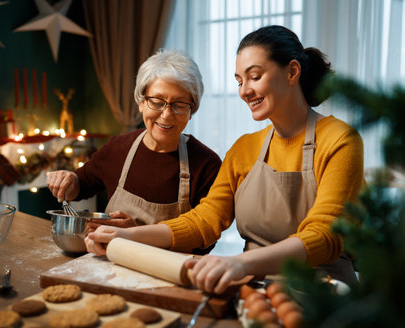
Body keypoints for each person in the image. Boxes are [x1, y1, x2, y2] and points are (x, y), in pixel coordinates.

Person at [85, 25, 364, 293]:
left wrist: (239, 263)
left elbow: (325, 236)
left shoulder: (340, 140)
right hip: (255, 292)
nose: (244, 91)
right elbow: (204, 220)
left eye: (254, 77)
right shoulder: (245, 148)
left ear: (292, 71)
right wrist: (127, 237)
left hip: (324, 296)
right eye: (239, 81)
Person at [47, 50, 222, 254]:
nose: (166, 115)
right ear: (141, 102)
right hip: (110, 264)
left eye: (179, 105)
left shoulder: (207, 164)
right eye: (156, 101)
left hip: (169, 275)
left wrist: (136, 235)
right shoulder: (118, 148)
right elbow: (82, 184)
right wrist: (68, 181)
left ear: (191, 111)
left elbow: (205, 243)